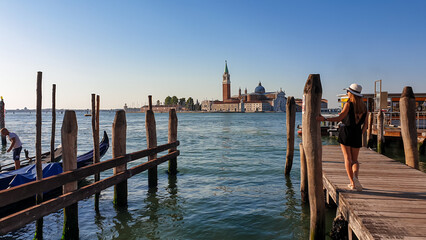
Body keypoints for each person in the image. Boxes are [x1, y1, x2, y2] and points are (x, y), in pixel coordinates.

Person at [317, 83, 368, 191]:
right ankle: (356, 178)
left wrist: (324, 119)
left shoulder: (348, 104)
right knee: (355, 161)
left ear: (351, 94)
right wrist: (360, 134)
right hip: (357, 134)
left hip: (346, 132)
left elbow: (339, 117)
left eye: (348, 92)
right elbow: (366, 125)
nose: (347, 93)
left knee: (347, 159)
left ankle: (352, 183)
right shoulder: (364, 108)